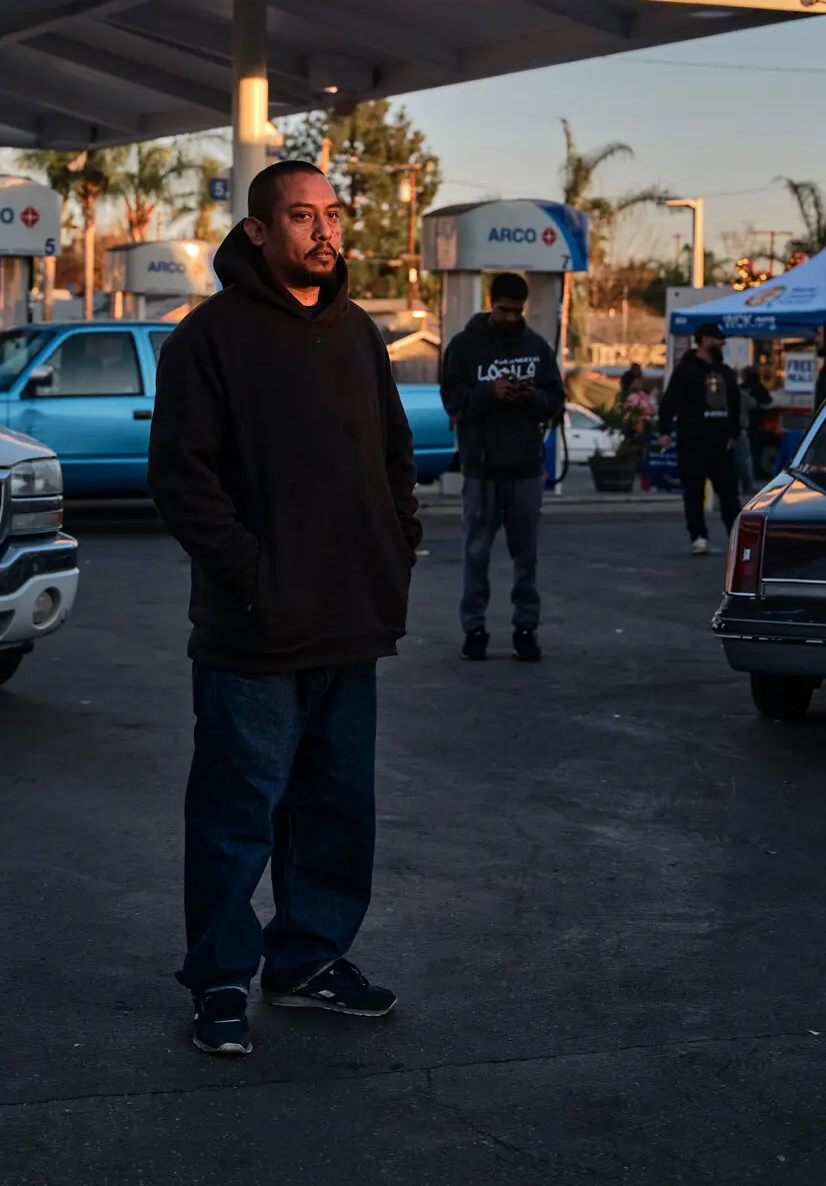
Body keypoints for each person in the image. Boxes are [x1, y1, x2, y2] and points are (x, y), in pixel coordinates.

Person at [149, 160, 419, 1059]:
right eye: (301, 217)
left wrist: (393, 552)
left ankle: (308, 962)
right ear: (259, 233)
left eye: (331, 214)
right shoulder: (208, 339)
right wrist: (253, 579)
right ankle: (220, 979)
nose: (323, 231)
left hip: (351, 625)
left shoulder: (358, 335)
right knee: (236, 816)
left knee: (338, 811)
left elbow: (393, 454)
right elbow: (182, 483)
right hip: (252, 635)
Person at [439, 271, 565, 662]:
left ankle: (525, 628)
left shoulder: (536, 347)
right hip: (481, 468)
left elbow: (556, 399)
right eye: (504, 309)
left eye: (517, 311)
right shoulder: (464, 347)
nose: (511, 317)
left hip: (526, 468)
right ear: (490, 302)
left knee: (526, 555)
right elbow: (452, 400)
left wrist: (532, 397)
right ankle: (474, 628)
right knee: (476, 553)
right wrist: (488, 392)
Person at [657, 323, 741, 555]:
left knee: (729, 494)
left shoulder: (725, 372)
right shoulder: (685, 371)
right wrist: (664, 431)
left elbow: (734, 404)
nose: (722, 344)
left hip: (721, 443)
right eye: (718, 339)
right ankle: (698, 535)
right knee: (693, 493)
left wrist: (733, 434)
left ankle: (736, 536)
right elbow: (670, 402)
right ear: (704, 340)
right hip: (692, 442)